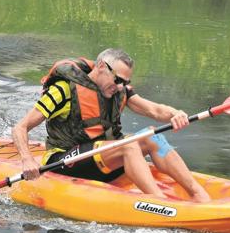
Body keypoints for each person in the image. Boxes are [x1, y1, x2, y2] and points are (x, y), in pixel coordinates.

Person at [11, 48, 211, 203]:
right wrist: (27, 160)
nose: (120, 86)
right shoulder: (63, 90)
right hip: (65, 160)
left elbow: (155, 111)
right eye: (117, 80)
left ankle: (199, 194)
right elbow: (20, 127)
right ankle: (161, 203)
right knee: (129, 144)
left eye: (125, 82)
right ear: (100, 67)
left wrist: (175, 114)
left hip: (104, 157)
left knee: (152, 135)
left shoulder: (118, 91)